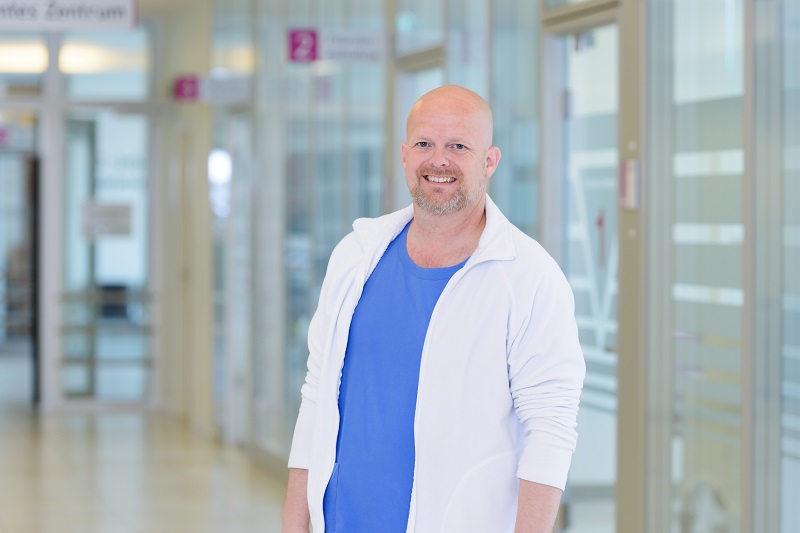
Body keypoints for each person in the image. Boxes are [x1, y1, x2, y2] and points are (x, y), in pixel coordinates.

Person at [282, 85, 585, 533]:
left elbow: (550, 429)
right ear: (405, 155)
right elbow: (317, 395)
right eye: (425, 143)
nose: (438, 160)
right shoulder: (356, 258)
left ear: (489, 161)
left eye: (458, 146)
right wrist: (294, 524)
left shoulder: (529, 277)